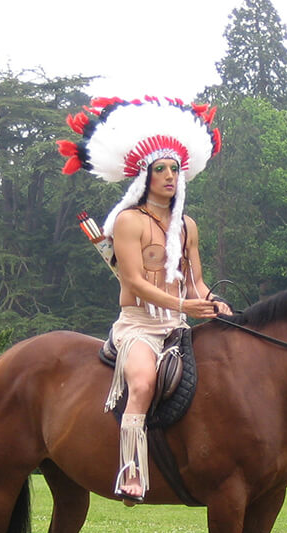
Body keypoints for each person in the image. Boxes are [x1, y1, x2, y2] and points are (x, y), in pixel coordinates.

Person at [59, 97, 231, 502]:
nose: (170, 176)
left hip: (177, 327)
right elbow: (134, 282)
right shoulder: (128, 221)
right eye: (161, 169)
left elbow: (196, 282)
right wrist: (185, 306)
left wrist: (213, 302)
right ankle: (131, 472)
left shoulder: (187, 226)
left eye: (174, 169)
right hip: (139, 326)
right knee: (142, 381)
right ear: (145, 176)